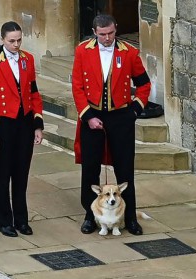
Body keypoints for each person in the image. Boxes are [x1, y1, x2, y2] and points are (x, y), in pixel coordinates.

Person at [72, 14, 151, 235]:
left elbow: (144, 84)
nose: (107, 39)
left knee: (125, 170)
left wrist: (134, 110)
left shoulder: (129, 53)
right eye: (103, 34)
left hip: (120, 118)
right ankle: (90, 216)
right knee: (90, 169)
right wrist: (87, 116)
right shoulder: (82, 51)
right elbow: (77, 86)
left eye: (111, 33)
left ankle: (130, 218)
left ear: (116, 29)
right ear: (95, 32)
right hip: (92, 116)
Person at [0, 21, 44, 237]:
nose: (16, 45)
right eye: (11, 41)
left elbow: (33, 92)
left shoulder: (28, 60)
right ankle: (4, 221)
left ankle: (21, 220)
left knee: (21, 174)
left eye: (19, 40)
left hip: (24, 122)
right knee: (3, 175)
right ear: (2, 40)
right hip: (3, 124)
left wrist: (37, 124)